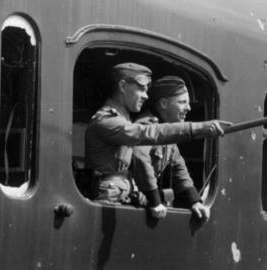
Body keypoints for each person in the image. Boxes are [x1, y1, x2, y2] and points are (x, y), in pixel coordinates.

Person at [84, 63, 228, 206]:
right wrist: (198, 128)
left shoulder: (124, 119)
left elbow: (178, 166)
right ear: (122, 86)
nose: (146, 96)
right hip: (106, 201)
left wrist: (194, 201)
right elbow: (145, 135)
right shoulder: (106, 120)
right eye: (141, 89)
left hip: (120, 197)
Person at [132, 76, 209, 221]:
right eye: (182, 102)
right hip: (131, 203)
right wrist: (155, 201)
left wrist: (195, 201)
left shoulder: (167, 132)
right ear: (163, 103)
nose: (188, 108)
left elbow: (178, 167)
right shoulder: (146, 126)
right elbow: (139, 157)